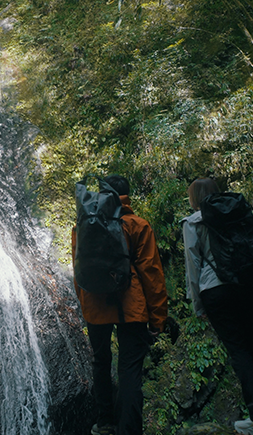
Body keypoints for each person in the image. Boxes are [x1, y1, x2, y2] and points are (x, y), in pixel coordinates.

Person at [72, 175, 168, 435]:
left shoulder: (82, 226)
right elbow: (152, 274)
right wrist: (158, 317)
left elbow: (78, 272)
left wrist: (86, 309)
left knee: (101, 362)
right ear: (127, 195)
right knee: (129, 369)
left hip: (95, 306)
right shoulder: (137, 225)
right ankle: (129, 430)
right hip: (132, 307)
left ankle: (104, 423)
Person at [182, 178, 253, 435]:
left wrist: (197, 305)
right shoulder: (239, 212)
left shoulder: (192, 222)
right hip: (245, 287)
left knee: (240, 352)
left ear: (194, 197)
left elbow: (193, 266)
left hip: (215, 291)